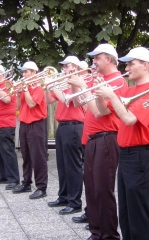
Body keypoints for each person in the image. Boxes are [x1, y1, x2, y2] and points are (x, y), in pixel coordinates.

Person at [94, 47, 149, 240]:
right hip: (126, 154)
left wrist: (112, 95)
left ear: (145, 66)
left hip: (140, 154)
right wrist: (99, 93)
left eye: (131, 63)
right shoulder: (130, 90)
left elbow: (130, 119)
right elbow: (104, 112)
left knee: (138, 213)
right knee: (126, 213)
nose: (127, 67)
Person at [68, 43, 128, 240]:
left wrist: (85, 85)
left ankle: (109, 235)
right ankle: (96, 232)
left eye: (97, 58)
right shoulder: (98, 79)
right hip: (92, 139)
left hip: (107, 137)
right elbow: (77, 103)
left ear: (109, 59)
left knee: (103, 190)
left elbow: (99, 111)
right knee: (92, 188)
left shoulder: (117, 81)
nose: (93, 62)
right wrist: (76, 84)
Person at [46, 56, 84, 215]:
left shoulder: (80, 83)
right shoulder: (63, 83)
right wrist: (47, 87)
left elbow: (66, 100)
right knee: (62, 165)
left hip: (74, 126)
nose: (64, 69)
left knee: (73, 166)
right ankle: (63, 196)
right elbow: (49, 101)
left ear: (75, 67)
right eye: (63, 67)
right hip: (62, 126)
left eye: (67, 66)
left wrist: (52, 85)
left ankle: (75, 202)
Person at [13, 61, 48, 199]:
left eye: (26, 71)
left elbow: (32, 104)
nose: (23, 74)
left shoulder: (39, 87)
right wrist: (17, 94)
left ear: (34, 72)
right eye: (23, 72)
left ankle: (41, 187)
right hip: (24, 123)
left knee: (38, 156)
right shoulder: (25, 87)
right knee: (26, 155)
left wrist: (25, 89)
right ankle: (26, 182)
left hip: (36, 123)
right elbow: (18, 106)